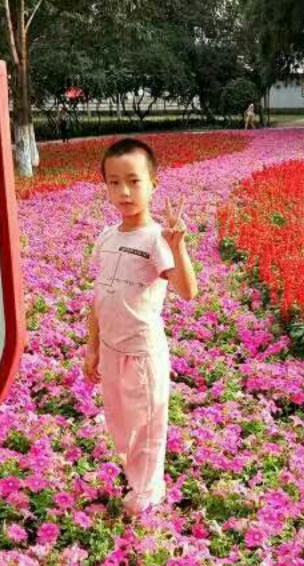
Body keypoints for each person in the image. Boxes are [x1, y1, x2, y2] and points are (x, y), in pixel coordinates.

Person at [83, 138, 198, 516]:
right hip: (111, 350)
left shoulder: (156, 239)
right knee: (121, 423)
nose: (124, 192)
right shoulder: (107, 237)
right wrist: (92, 348)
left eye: (134, 181)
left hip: (142, 353)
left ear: (153, 184)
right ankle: (140, 481)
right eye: (114, 182)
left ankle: (146, 495)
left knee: (147, 425)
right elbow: (99, 297)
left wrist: (178, 246)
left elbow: (187, 291)